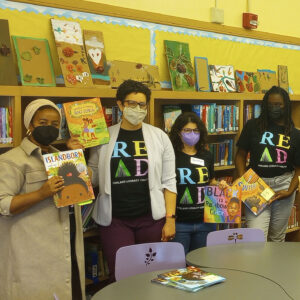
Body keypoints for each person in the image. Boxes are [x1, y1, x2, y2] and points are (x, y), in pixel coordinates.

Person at [88, 79, 177, 282]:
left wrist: (170, 220)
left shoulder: (159, 137)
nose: (137, 109)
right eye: (131, 103)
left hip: (152, 219)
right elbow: (93, 176)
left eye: (142, 104)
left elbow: (169, 181)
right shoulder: (104, 136)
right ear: (120, 104)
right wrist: (74, 154)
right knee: (121, 275)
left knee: (154, 274)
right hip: (115, 220)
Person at [0, 99, 85, 300]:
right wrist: (41, 194)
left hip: (65, 248)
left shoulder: (60, 157)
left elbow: (83, 185)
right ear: (30, 125)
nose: (49, 128)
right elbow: (3, 204)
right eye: (43, 123)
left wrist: (77, 157)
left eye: (55, 124)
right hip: (31, 256)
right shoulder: (11, 160)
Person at [235, 86, 300, 241]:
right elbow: (240, 155)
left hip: (283, 186)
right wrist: (245, 180)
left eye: (278, 105)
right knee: (255, 239)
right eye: (270, 105)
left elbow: (298, 168)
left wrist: (291, 190)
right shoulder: (253, 126)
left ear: (286, 105)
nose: (274, 108)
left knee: (277, 239)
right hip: (256, 185)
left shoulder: (295, 134)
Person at [169, 112, 220, 254]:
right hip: (179, 222)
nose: (192, 134)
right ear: (178, 132)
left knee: (201, 263)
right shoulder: (171, 155)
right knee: (178, 265)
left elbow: (210, 181)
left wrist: (219, 185)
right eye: (187, 130)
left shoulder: (206, 155)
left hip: (205, 221)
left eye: (195, 130)